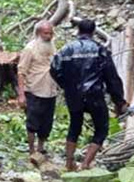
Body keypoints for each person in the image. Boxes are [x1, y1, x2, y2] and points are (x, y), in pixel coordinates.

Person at [51, 19, 128, 171]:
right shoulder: (99, 50)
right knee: (101, 129)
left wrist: (66, 85)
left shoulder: (67, 49)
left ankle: (69, 163)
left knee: (74, 126)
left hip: (73, 95)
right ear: (93, 32)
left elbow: (54, 69)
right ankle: (85, 163)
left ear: (78, 31)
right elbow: (112, 78)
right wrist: (119, 101)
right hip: (94, 95)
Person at [17, 20, 58, 156]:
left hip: (50, 90)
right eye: (46, 33)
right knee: (32, 122)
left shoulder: (52, 47)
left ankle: (41, 146)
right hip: (34, 90)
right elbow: (21, 71)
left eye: (51, 33)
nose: (49, 36)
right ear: (39, 33)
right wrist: (21, 94)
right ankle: (31, 149)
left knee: (46, 122)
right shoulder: (30, 49)